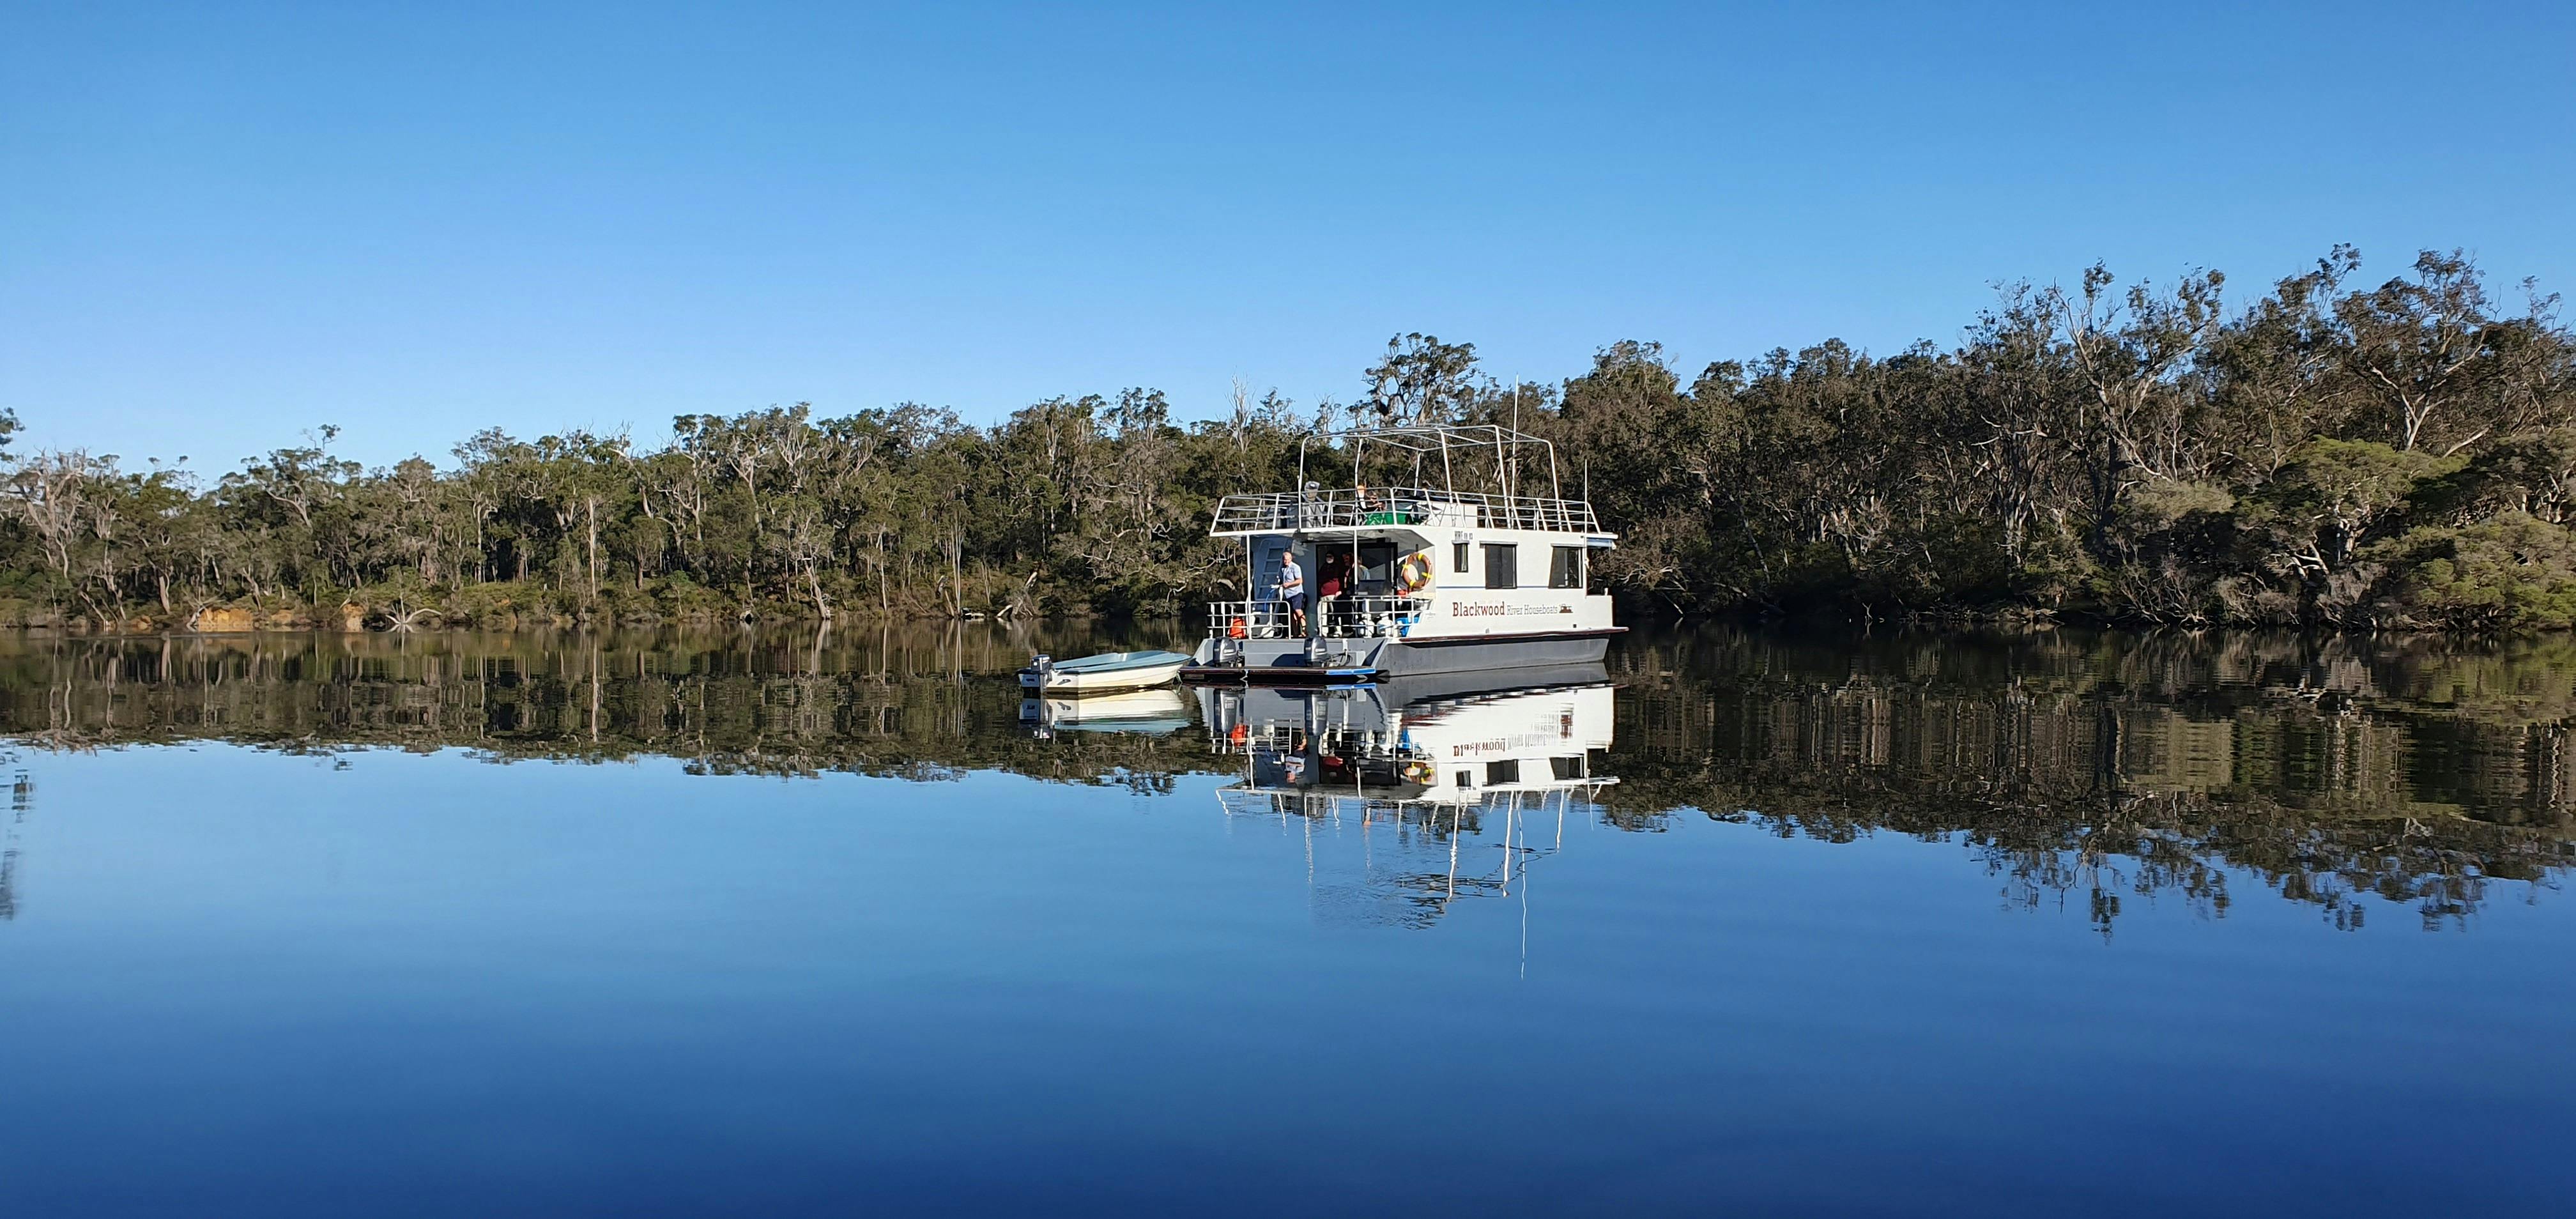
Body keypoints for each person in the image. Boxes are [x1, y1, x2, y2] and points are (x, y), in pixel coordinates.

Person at [1278, 549, 1307, 636]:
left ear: (1291, 559)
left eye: (1287, 559)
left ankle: (1305, 632)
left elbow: (1300, 580)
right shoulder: (1282, 568)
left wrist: (1289, 584)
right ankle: (1295, 633)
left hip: (1296, 593)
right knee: (1291, 614)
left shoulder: (1295, 567)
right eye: (1284, 559)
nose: (1286, 561)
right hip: (1287, 595)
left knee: (1298, 611)